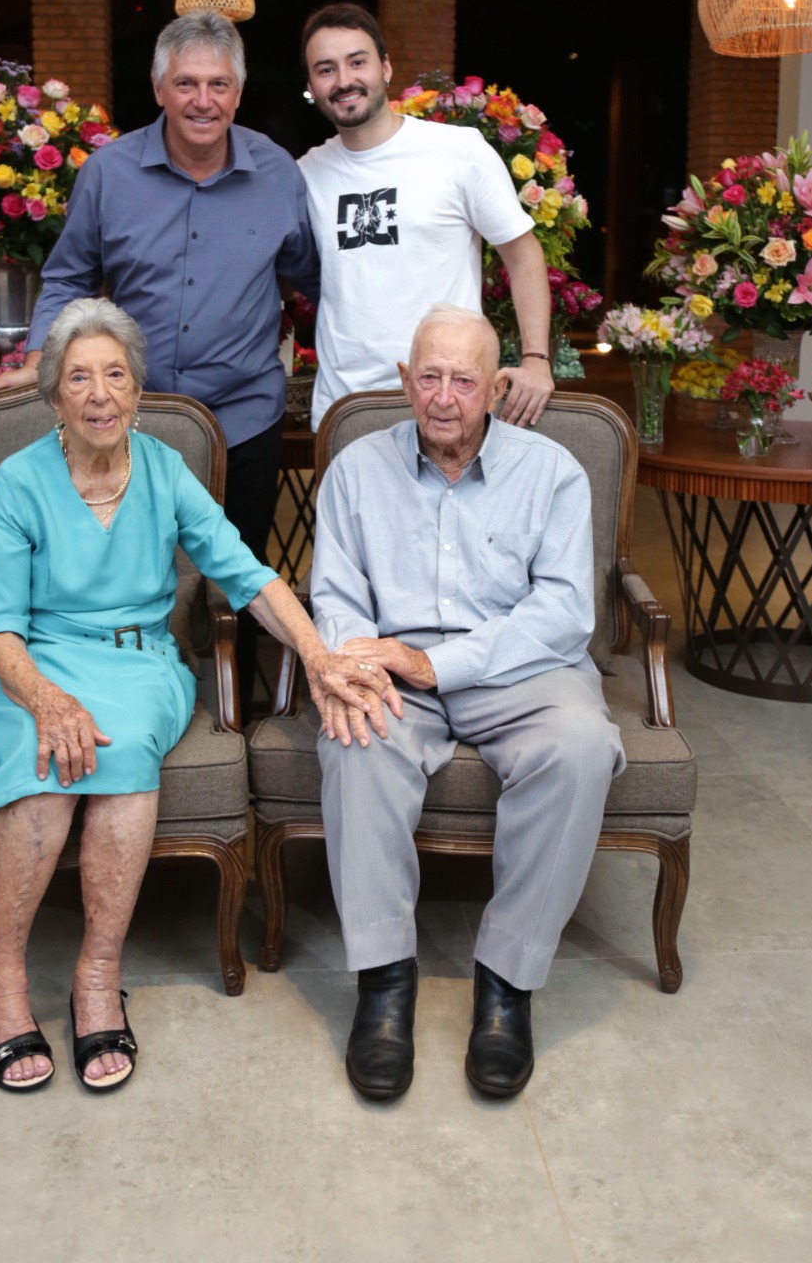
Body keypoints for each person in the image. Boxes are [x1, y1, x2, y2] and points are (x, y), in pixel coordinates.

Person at [0, 299, 398, 1094]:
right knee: (47, 764)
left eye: (115, 375)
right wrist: (46, 699)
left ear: (138, 393)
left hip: (140, 665)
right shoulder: (18, 481)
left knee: (124, 742)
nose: (100, 392)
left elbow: (246, 574)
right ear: (54, 397)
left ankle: (96, 976)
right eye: (79, 377)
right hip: (30, 666)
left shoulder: (166, 471)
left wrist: (316, 654)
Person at [310, 304, 624, 1101]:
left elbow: (560, 615)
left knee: (582, 746)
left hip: (516, 667)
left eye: (463, 379)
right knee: (357, 740)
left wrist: (437, 663)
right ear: (404, 381)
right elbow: (338, 597)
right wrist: (356, 665)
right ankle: (384, 984)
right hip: (392, 662)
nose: (443, 397)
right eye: (428, 377)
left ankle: (506, 986)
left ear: (496, 387)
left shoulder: (551, 473)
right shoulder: (355, 469)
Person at [0, 11, 322, 710]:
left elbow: (312, 280)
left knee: (237, 570)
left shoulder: (278, 174)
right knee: (135, 570)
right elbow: (70, 275)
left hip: (243, 416)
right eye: (187, 82)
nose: (204, 99)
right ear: (159, 88)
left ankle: (238, 715)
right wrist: (45, 360)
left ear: (239, 90)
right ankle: (144, 692)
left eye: (219, 83)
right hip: (135, 417)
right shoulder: (110, 173)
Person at [298, 2, 555, 431]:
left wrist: (536, 359)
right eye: (326, 69)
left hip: (449, 401)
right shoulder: (305, 174)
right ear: (311, 84)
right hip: (346, 408)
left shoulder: (458, 151)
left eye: (357, 62)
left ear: (385, 67)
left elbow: (523, 254)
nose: (344, 80)